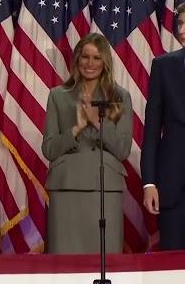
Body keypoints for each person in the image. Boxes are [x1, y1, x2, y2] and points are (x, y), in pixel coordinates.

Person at [41, 32, 132, 254]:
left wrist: (97, 123)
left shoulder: (120, 96)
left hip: (105, 188)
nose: (90, 63)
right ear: (77, 59)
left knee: (105, 261)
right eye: (85, 57)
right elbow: (49, 149)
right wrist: (76, 128)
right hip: (66, 188)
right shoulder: (58, 95)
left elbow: (122, 149)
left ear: (105, 62)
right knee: (64, 264)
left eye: (97, 58)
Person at [141, 2, 185, 251]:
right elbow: (151, 132)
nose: (182, 29)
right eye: (179, 23)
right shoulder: (163, 66)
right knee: (173, 272)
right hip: (173, 189)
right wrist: (149, 183)